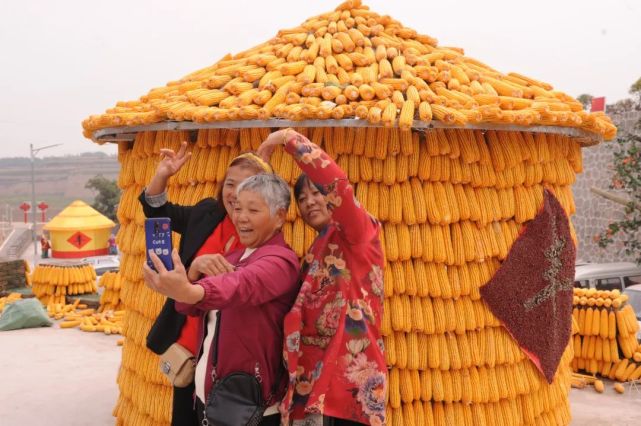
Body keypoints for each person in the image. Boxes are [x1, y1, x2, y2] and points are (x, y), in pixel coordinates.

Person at [143, 173, 300, 425]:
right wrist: (191, 275)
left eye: (253, 210)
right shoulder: (236, 256)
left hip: (249, 408)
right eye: (237, 208)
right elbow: (187, 307)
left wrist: (190, 290)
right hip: (210, 399)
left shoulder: (281, 262)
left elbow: (240, 285)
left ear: (280, 216)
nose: (241, 217)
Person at [258, 129, 387, 426]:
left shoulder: (360, 234)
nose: (309, 202)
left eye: (316, 193)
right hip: (313, 386)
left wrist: (288, 139)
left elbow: (338, 185)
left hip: (349, 389)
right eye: (301, 198)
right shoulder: (314, 252)